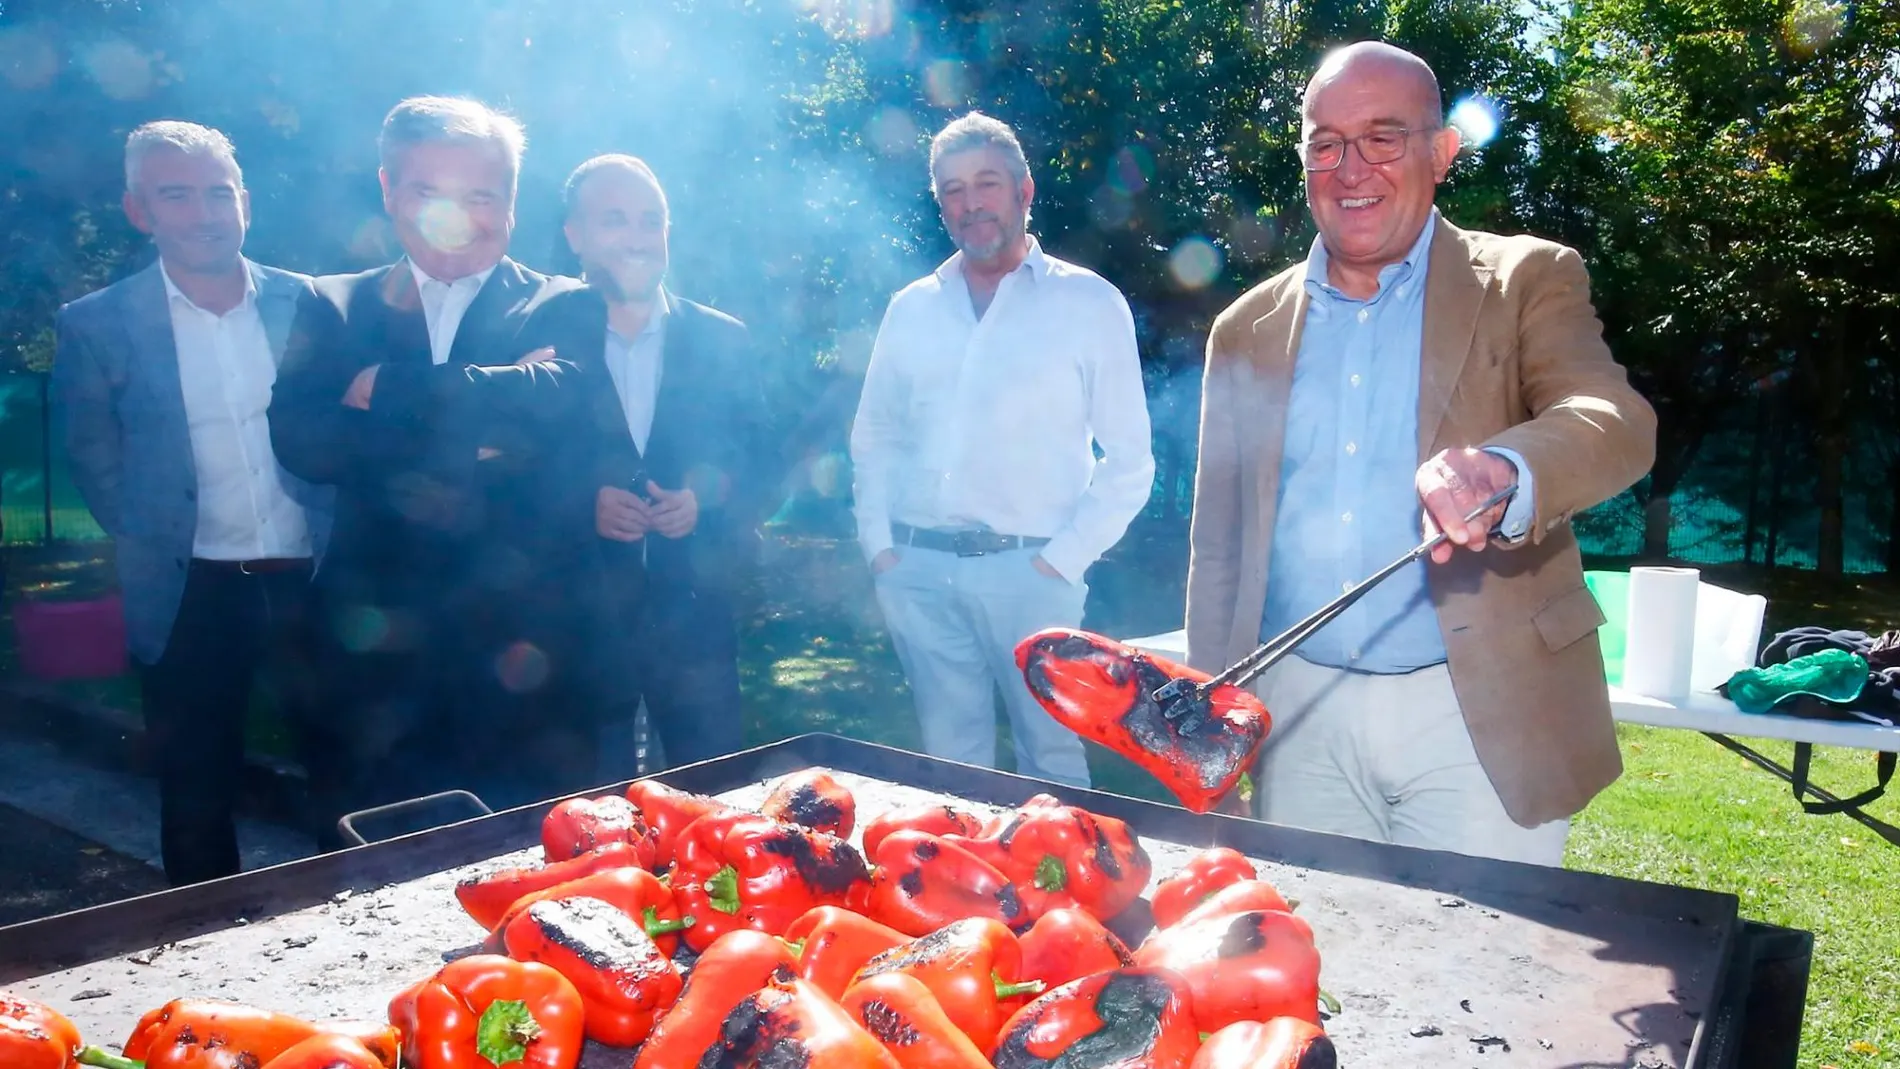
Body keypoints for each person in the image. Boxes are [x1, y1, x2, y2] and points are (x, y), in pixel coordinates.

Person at [1183, 42, 1658, 865]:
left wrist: (1507, 470)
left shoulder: (1526, 277)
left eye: (1383, 136)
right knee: (1313, 970)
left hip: (1479, 707)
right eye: (1324, 142)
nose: (1349, 166)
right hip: (1299, 713)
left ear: (1441, 154)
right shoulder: (1245, 330)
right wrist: (1199, 715)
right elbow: (1219, 543)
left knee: (1479, 973)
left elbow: (1612, 415)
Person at [266, 96, 582, 841]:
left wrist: (382, 392)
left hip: (521, 653)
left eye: (483, 195)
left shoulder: (561, 303)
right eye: (429, 192)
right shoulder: (333, 303)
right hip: (368, 646)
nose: (459, 216)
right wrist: (487, 422)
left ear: (512, 200)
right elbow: (303, 442)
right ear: (388, 191)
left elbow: (560, 418)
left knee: (524, 868)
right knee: (366, 868)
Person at [51, 121, 332, 885]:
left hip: (310, 577)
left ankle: (368, 918)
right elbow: (92, 450)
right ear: (139, 210)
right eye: (177, 194)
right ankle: (205, 951)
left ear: (244, 202)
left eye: (219, 192)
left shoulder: (308, 303)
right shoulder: (98, 323)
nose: (205, 212)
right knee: (196, 785)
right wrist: (149, 533)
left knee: (344, 766)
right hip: (188, 588)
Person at [849, 112, 1156, 788]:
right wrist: (880, 547)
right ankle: (960, 891)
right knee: (950, 765)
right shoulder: (911, 309)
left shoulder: (1088, 304)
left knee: (1053, 761)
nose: (970, 202)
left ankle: (1070, 891)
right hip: (919, 570)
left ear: (1024, 191)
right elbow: (874, 438)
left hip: (1032, 573)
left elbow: (1131, 459)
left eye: (986, 183)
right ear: (940, 204)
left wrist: (1061, 559)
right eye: (952, 190)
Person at [526, 153, 769, 779]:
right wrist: (583, 505)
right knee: (585, 816)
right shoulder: (532, 333)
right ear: (575, 237)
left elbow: (763, 460)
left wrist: (705, 499)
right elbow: (503, 472)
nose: (637, 237)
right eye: (614, 220)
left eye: (650, 220)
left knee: (713, 802)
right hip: (575, 625)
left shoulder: (724, 340)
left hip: (694, 619)